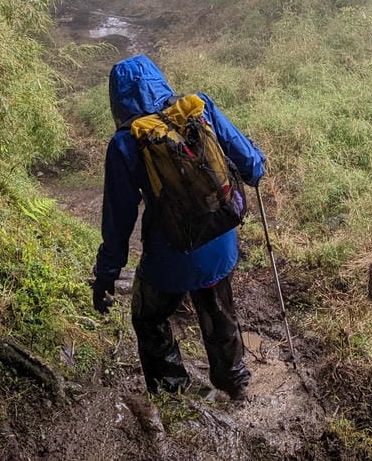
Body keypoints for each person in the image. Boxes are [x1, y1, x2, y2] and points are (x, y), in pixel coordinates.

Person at [91, 54, 266, 400]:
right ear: (159, 80)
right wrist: (256, 159)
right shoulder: (197, 108)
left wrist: (106, 275)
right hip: (220, 238)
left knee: (148, 317)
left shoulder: (126, 142)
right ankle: (235, 382)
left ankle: (173, 393)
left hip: (170, 252)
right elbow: (251, 166)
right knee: (217, 308)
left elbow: (118, 222)